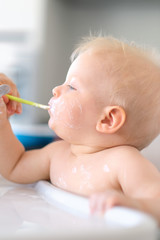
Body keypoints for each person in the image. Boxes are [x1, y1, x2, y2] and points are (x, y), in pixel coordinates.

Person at [0, 36, 160, 224]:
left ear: (108, 119)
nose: (56, 90)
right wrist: (3, 124)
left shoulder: (124, 162)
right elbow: (14, 167)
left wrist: (135, 206)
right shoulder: (57, 154)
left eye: (72, 87)